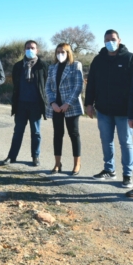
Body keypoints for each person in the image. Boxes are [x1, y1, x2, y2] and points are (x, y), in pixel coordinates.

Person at [85, 29, 133, 189]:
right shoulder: (98, 60)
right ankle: (109, 169)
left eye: (112, 39)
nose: (109, 42)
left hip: (124, 112)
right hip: (103, 110)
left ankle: (127, 174)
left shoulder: (129, 58)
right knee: (106, 141)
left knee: (126, 143)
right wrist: (89, 103)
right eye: (107, 40)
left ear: (119, 40)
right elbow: (91, 83)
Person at [2, 40, 48, 166]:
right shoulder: (18, 66)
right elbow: (15, 85)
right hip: (21, 104)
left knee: (36, 133)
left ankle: (35, 157)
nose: (30, 50)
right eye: (27, 48)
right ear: (24, 50)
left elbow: (46, 84)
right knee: (18, 132)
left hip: (36, 105)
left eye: (32, 48)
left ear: (37, 50)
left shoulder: (42, 66)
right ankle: (12, 157)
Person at [45, 43, 84, 175]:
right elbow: (48, 87)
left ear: (68, 52)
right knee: (57, 134)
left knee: (74, 134)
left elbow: (78, 86)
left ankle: (77, 164)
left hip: (70, 106)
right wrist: (52, 103)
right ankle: (57, 164)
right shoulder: (52, 68)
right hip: (56, 107)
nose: (60, 54)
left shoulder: (75, 65)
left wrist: (68, 103)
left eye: (63, 52)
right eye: (58, 52)